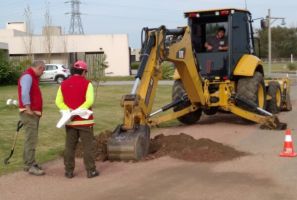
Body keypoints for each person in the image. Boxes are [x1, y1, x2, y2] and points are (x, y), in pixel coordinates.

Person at [55, 60, 99, 179]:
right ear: (84, 71)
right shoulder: (87, 83)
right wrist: (78, 110)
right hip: (85, 121)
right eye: (86, 72)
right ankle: (91, 171)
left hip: (70, 121)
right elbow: (89, 101)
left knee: (69, 147)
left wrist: (70, 111)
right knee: (87, 147)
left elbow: (58, 102)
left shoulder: (63, 84)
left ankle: (69, 171)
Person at [18, 60, 45, 176]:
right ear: (39, 68)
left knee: (30, 139)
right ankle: (31, 165)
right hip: (30, 113)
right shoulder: (28, 76)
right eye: (43, 70)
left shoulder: (31, 76)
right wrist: (28, 109)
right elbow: (24, 93)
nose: (43, 73)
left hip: (32, 112)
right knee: (31, 139)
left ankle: (28, 163)